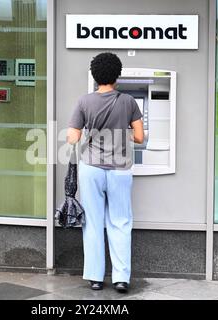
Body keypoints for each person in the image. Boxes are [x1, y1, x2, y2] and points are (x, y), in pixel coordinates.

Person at [67, 52, 144, 293]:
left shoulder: (84, 102)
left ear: (95, 75)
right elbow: (140, 138)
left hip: (91, 169)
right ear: (117, 75)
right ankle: (121, 279)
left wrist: (89, 132)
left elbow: (72, 137)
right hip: (120, 169)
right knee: (120, 222)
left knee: (92, 221)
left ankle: (96, 278)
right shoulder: (129, 101)